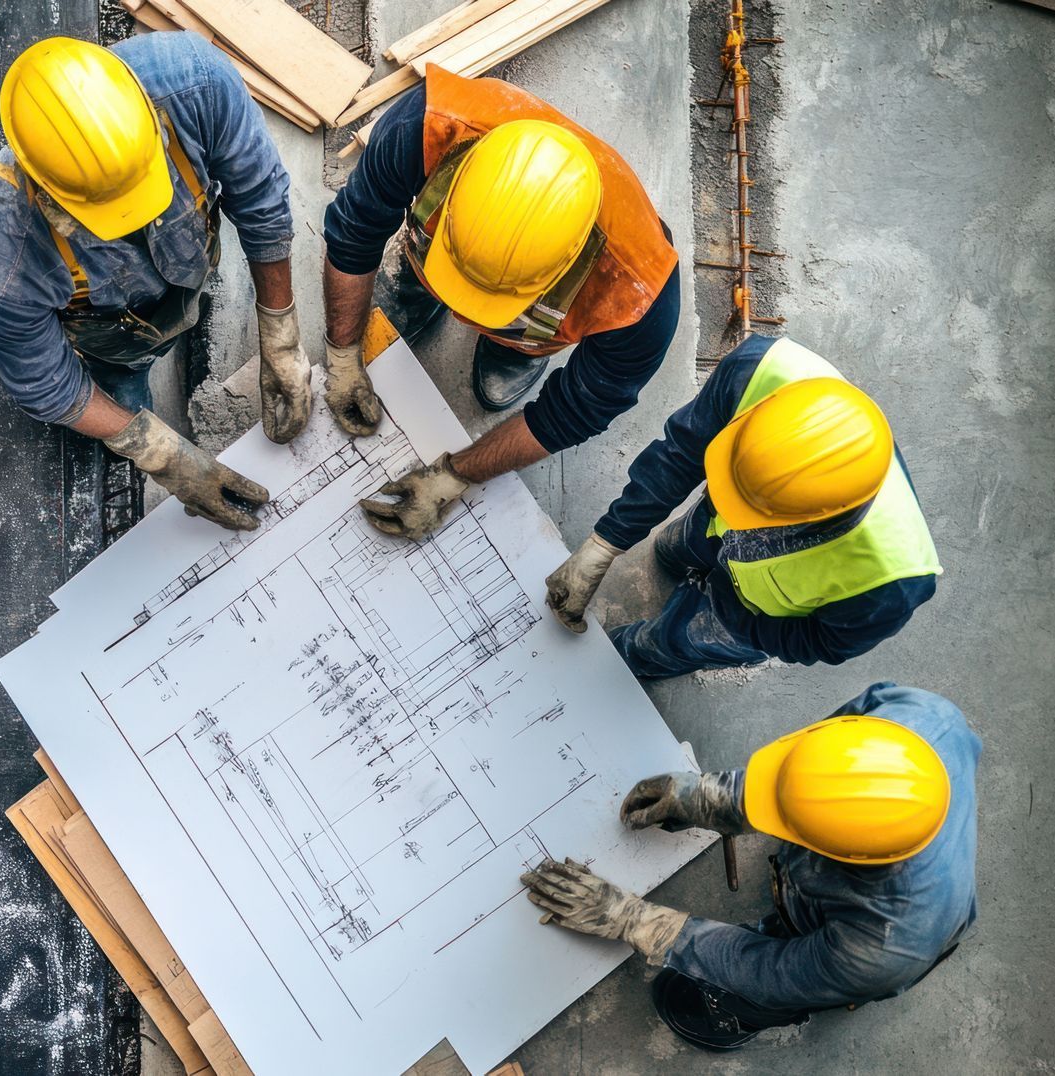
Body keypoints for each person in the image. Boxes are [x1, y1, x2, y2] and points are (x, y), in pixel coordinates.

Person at [0, 34, 309, 531]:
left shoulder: (197, 83)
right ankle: (129, 391)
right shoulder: (2, 251)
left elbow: (262, 204)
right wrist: (162, 454)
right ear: (47, 191)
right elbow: (47, 385)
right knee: (124, 399)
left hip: (189, 270)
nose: (135, 223)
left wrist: (281, 335)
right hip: (113, 339)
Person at [323, 68, 682, 541]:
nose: (465, 314)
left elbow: (575, 412)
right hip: (431, 251)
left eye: (491, 299)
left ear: (573, 261)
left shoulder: (638, 292)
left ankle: (514, 349)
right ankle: (419, 282)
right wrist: (342, 355)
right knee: (409, 268)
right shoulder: (429, 125)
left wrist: (454, 475)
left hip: (538, 323)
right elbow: (354, 234)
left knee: (526, 338)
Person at [522, 682, 980, 1051]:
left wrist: (638, 922)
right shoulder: (920, 716)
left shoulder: (882, 946)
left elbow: (768, 971)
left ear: (841, 857)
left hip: (862, 944)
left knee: (764, 990)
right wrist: (715, 799)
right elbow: (814, 770)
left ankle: (747, 1014)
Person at [542, 334, 941, 679]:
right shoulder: (762, 371)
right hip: (713, 531)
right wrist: (606, 542)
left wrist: (739, 619)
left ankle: (639, 655)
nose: (738, 519)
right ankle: (679, 557)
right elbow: (678, 457)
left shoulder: (891, 585)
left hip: (753, 612)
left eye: (751, 510)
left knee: (676, 642)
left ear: (808, 521)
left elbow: (820, 642)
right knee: (679, 544)